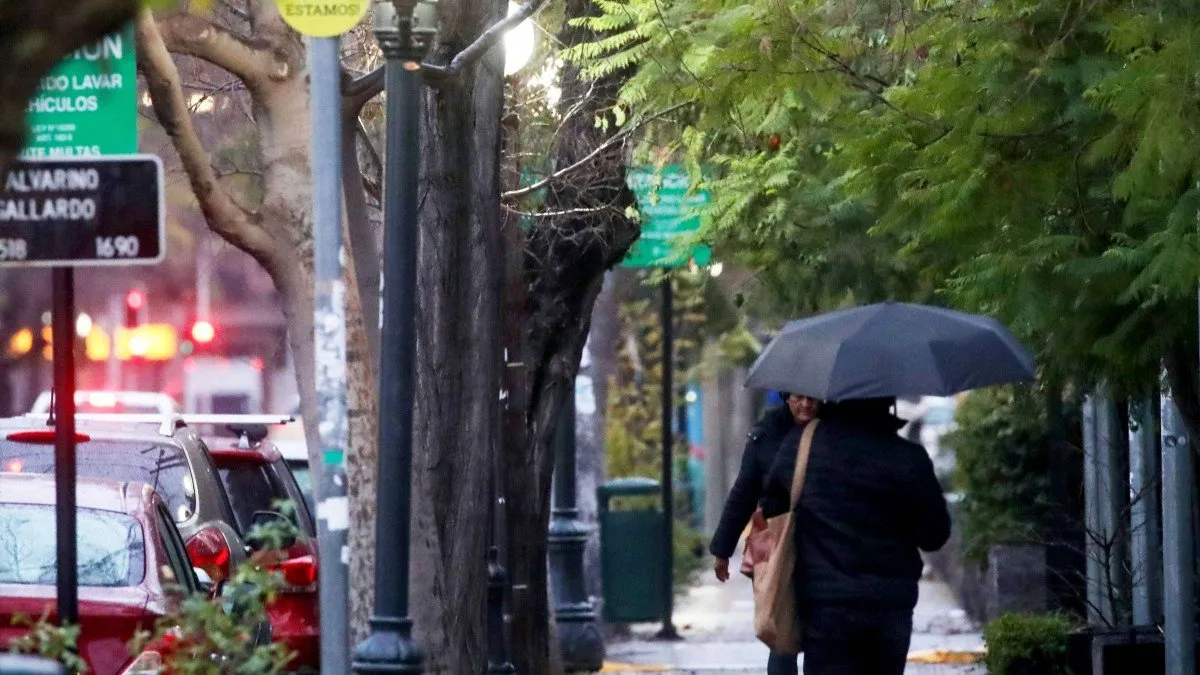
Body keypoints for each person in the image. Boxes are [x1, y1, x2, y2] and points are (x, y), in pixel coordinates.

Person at [761, 397, 951, 675]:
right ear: (886, 400)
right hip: (889, 605)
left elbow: (772, 507)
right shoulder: (909, 458)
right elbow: (935, 535)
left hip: (824, 604)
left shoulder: (801, 447)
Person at [709, 392, 821, 675]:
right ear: (787, 398)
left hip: (822, 545)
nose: (806, 404)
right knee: (780, 632)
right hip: (776, 544)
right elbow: (743, 493)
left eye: (812, 398)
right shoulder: (766, 435)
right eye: (799, 398)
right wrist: (722, 549)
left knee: (821, 636)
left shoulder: (833, 432)